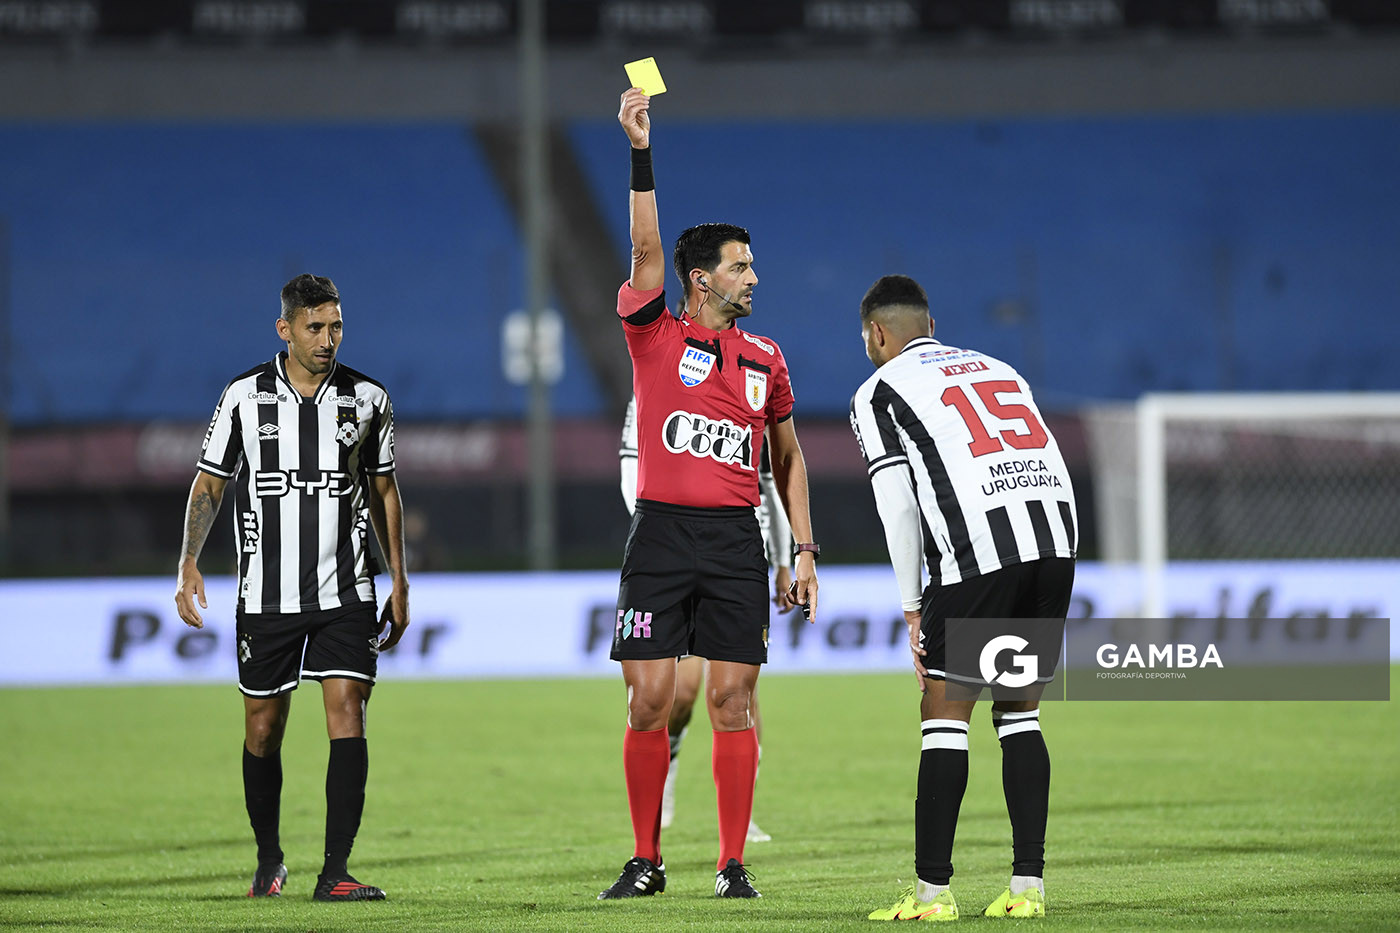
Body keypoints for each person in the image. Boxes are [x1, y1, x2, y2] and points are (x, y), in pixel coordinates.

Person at [599, 87, 819, 901]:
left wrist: (801, 548)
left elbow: (789, 460)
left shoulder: (768, 358)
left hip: (734, 539)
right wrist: (640, 151)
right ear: (700, 279)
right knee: (652, 697)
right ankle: (645, 858)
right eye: (741, 264)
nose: (754, 275)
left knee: (731, 697)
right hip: (659, 536)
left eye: (752, 263)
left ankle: (731, 864)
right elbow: (645, 249)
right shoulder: (655, 333)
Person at [174, 273, 409, 903]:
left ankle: (335, 871)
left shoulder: (368, 399)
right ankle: (269, 857)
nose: (328, 339)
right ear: (285, 329)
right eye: (315, 328)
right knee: (261, 729)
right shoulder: (244, 398)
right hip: (267, 596)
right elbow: (210, 484)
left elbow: (385, 491)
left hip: (348, 593)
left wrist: (401, 581)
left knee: (348, 715)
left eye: (336, 327)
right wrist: (188, 562)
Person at [849, 275, 1076, 921]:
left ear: (876, 334)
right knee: (1020, 716)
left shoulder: (879, 390)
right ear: (931, 322)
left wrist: (911, 604)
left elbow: (898, 507)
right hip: (1054, 542)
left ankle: (932, 894)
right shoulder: (998, 366)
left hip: (979, 551)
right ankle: (1027, 888)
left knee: (944, 714)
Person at [620, 396, 795, 843]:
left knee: (739, 697)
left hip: (738, 553)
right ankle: (669, 776)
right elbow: (631, 467)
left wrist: (781, 560)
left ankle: (740, 820)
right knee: (679, 697)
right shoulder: (652, 385)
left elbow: (769, 480)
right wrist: (658, 536)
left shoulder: (748, 379)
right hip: (672, 548)